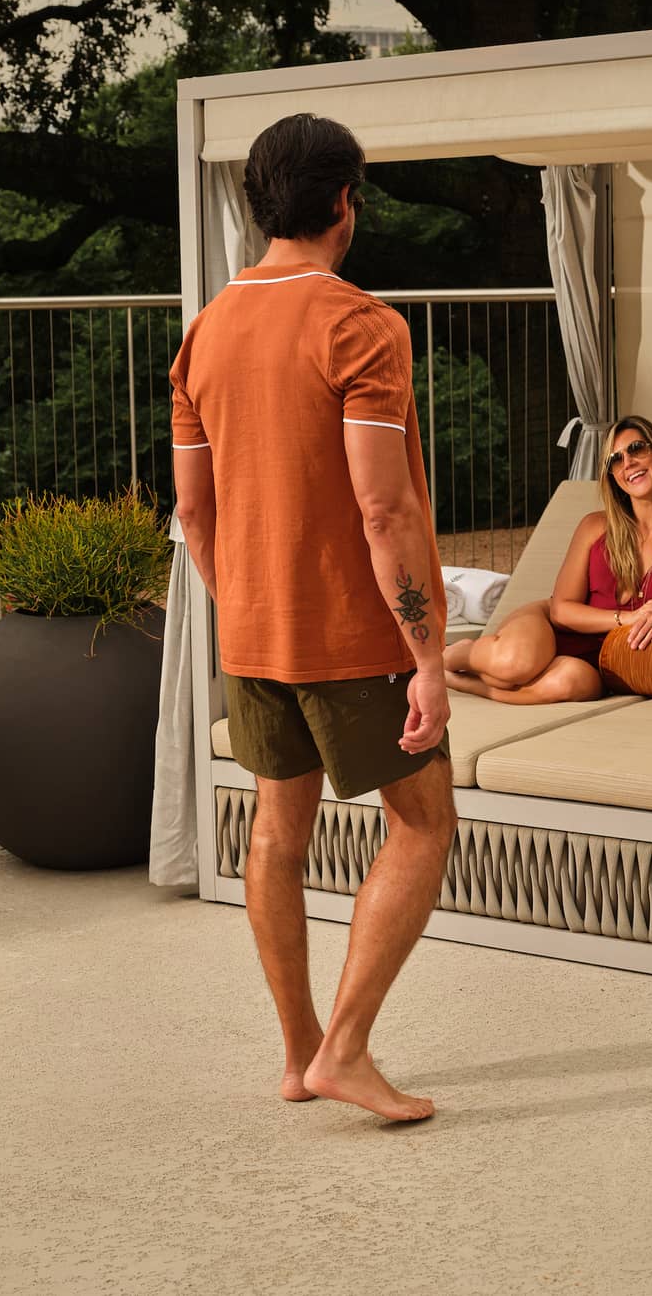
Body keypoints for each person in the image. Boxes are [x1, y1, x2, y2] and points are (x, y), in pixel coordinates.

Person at [170, 112, 454, 1124]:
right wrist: (430, 653)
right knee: (423, 825)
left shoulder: (203, 331)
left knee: (277, 833)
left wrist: (246, 602)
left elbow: (192, 513)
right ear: (343, 201)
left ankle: (300, 1054)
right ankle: (346, 1049)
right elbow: (384, 508)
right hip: (354, 640)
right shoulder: (360, 325)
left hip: (252, 634)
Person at [444, 416, 652, 704]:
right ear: (612, 477)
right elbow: (561, 610)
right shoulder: (595, 527)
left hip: (602, 659)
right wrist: (631, 618)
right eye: (615, 460)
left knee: (573, 684)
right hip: (552, 627)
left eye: (637, 448)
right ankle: (450, 655)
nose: (627, 463)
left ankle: (461, 681)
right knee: (516, 666)